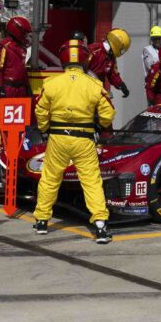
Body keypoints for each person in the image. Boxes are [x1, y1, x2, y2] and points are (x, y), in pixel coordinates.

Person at [29, 38, 114, 245]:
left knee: (50, 178)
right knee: (91, 181)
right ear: (84, 59)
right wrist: (100, 124)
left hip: (57, 138)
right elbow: (108, 114)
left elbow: (40, 110)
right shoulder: (94, 84)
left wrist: (44, 129)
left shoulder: (51, 83)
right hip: (84, 140)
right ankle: (101, 225)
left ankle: (41, 220)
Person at [0, 16, 33, 100]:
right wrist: (0, 88)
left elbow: (22, 69)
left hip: (21, 89)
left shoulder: (22, 47)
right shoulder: (4, 47)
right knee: (3, 113)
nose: (26, 36)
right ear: (18, 31)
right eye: (25, 33)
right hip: (8, 89)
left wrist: (27, 86)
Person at [86, 28, 131, 98]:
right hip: (86, 89)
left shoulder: (111, 58)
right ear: (118, 45)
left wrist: (121, 85)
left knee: (109, 108)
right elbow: (80, 69)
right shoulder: (93, 50)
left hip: (99, 91)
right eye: (122, 50)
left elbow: (112, 74)